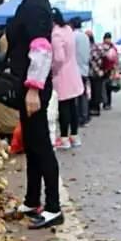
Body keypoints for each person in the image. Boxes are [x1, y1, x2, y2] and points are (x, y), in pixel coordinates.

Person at [6, 0, 62, 229]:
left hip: (34, 87)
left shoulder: (37, 5)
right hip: (27, 84)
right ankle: (32, 199)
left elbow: (41, 50)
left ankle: (53, 206)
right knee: (31, 143)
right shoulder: (29, 1)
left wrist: (33, 90)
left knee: (41, 146)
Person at [51, 9, 83, 150]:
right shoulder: (68, 29)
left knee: (63, 107)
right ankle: (74, 136)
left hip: (62, 74)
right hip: (73, 71)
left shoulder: (56, 34)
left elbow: (59, 58)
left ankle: (64, 138)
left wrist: (53, 70)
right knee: (72, 106)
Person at [71, 17, 90, 127]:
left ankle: (78, 118)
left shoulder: (73, 36)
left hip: (75, 69)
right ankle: (85, 116)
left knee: (75, 95)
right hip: (84, 69)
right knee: (83, 94)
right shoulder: (85, 37)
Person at [87, 31, 104, 117]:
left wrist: (96, 69)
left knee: (93, 91)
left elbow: (91, 60)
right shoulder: (99, 46)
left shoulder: (90, 48)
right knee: (98, 90)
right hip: (100, 72)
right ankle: (96, 108)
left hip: (93, 72)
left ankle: (94, 109)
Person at [101, 32, 118, 109]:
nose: (108, 40)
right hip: (103, 69)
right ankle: (105, 102)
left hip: (110, 69)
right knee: (103, 87)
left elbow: (115, 60)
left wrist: (115, 70)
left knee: (109, 87)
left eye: (109, 38)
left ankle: (108, 103)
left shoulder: (113, 48)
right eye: (107, 38)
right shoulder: (101, 47)